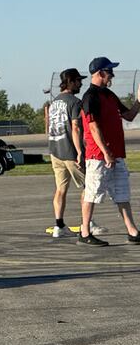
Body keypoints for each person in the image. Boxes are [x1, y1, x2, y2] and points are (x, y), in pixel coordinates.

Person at [78, 57, 140, 246]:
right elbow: (93, 127)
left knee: (122, 194)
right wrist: (105, 152)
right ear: (100, 73)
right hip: (98, 156)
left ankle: (132, 231)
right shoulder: (90, 97)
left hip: (117, 154)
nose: (112, 74)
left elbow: (129, 115)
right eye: (109, 71)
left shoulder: (109, 95)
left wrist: (138, 101)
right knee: (93, 193)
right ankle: (85, 231)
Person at [47, 68, 106, 237]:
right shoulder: (74, 102)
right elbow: (75, 127)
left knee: (60, 189)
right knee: (88, 186)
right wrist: (80, 151)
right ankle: (87, 223)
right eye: (78, 80)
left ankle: (59, 226)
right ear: (71, 82)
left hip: (55, 151)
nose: (81, 83)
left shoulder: (54, 102)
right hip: (70, 152)